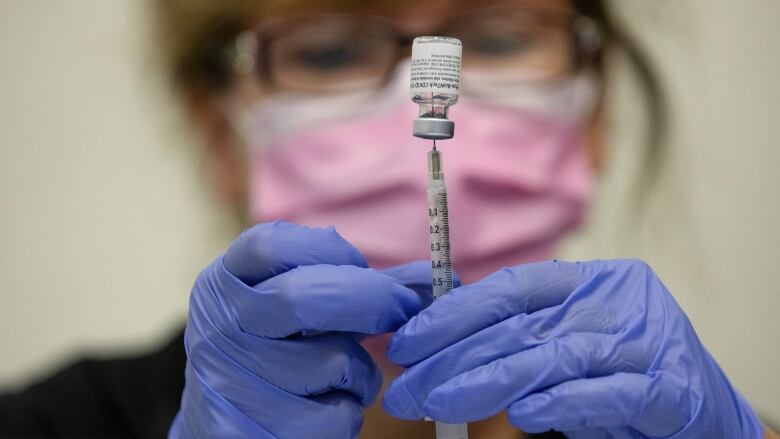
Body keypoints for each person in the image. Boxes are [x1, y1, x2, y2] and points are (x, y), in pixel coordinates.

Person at [0, 0, 777, 438]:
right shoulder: (57, 426)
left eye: (501, 36)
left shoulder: (691, 423)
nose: (411, 86)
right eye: (331, 53)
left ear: (595, 107)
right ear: (220, 132)